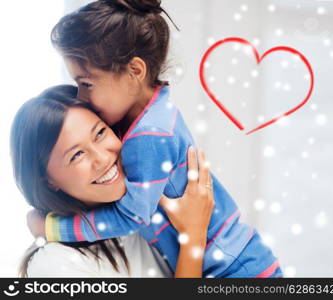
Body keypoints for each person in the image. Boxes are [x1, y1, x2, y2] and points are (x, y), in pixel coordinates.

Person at [28, 0, 283, 277]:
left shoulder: (147, 136)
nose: (81, 96)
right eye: (76, 154)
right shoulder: (156, 110)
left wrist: (53, 227)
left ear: (135, 71)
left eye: (86, 83)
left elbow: (131, 216)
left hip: (236, 270)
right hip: (239, 259)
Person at [11, 85, 214, 277]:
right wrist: (194, 237)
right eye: (77, 155)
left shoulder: (143, 203)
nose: (102, 158)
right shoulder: (55, 266)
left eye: (100, 133)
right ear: (48, 182)